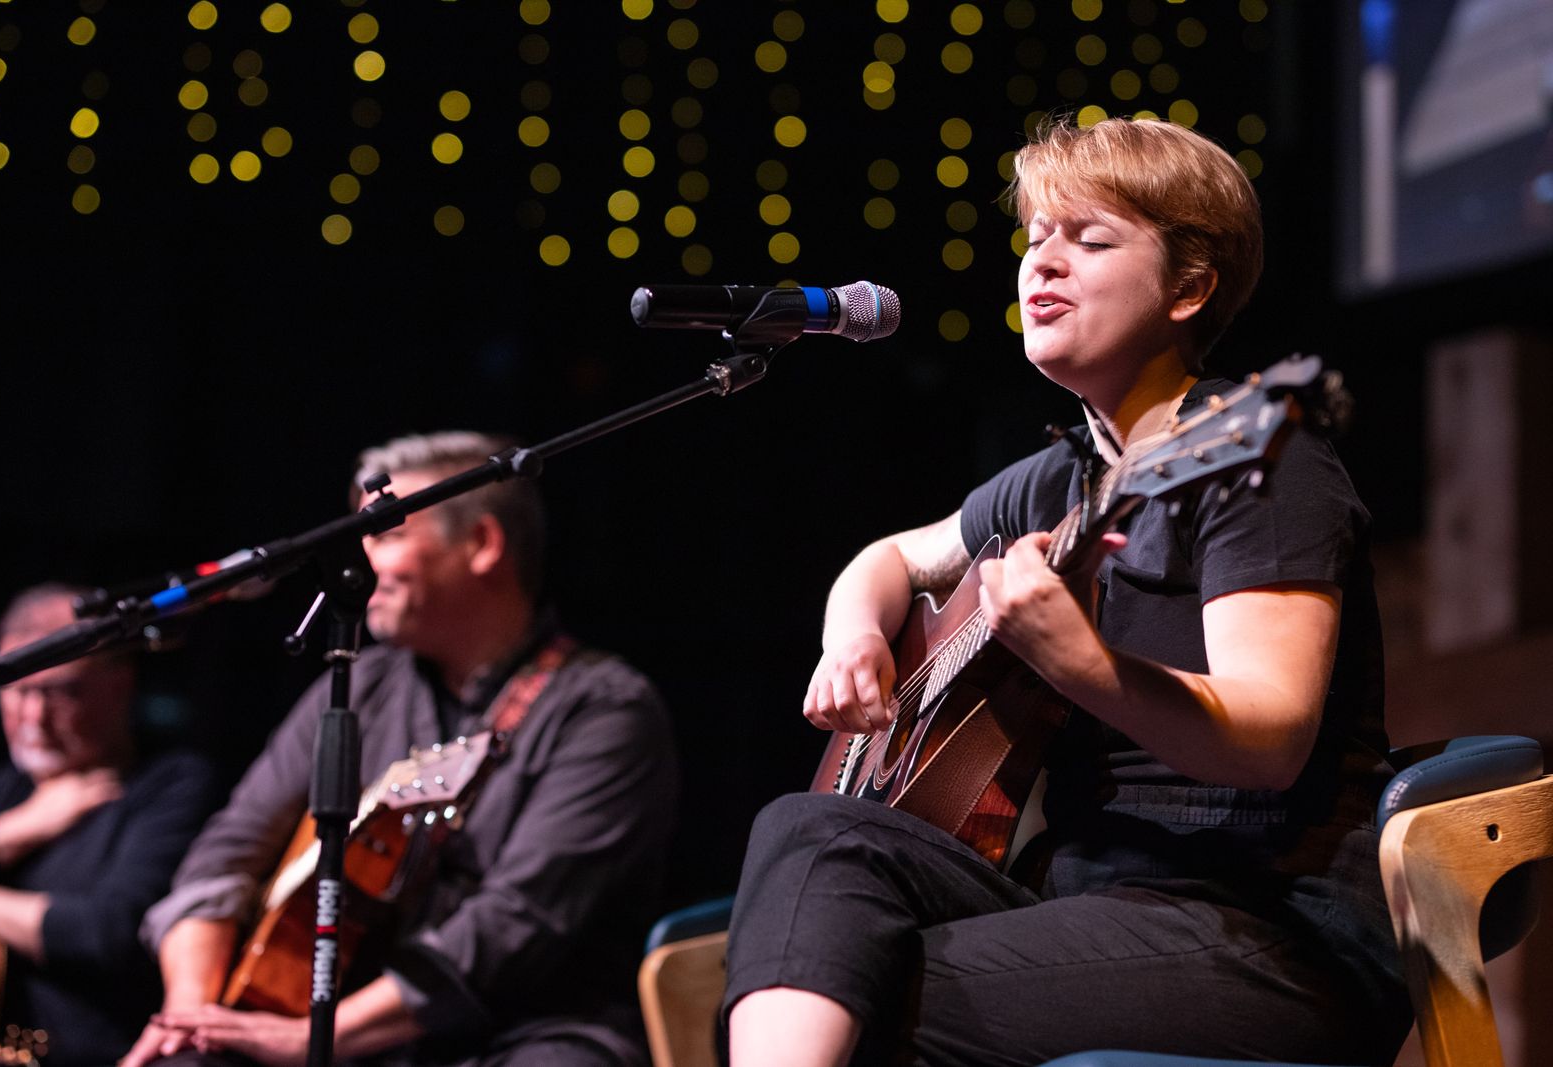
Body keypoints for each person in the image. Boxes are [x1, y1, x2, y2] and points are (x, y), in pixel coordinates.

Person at [722, 116, 1411, 1065]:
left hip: (1269, 929)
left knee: (841, 990)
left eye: (1089, 240)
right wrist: (855, 640)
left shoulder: (1258, 460)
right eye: (1037, 236)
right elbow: (887, 561)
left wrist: (1079, 663)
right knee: (808, 830)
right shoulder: (1055, 480)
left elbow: (1269, 741)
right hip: (1084, 901)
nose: (1042, 263)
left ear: (1190, 288)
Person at [130, 431, 679, 1067]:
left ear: (482, 544)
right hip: (343, 1031)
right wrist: (192, 1017)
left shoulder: (604, 710)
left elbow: (517, 922)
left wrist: (319, 1040)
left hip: (526, 1033)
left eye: (386, 534)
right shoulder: (358, 684)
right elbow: (223, 857)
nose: (360, 560)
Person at [0, 585, 218, 1067]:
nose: (34, 716)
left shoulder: (171, 784)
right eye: (18, 689)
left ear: (119, 685)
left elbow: (115, 932)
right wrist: (13, 832)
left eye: (62, 691)